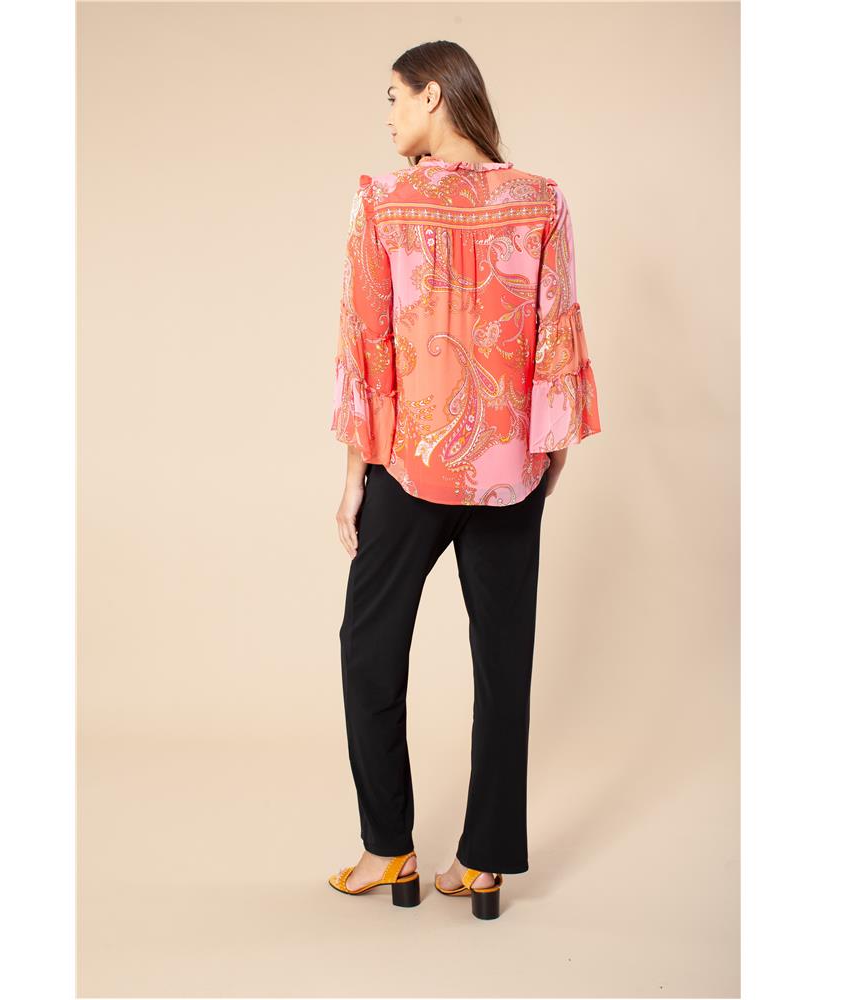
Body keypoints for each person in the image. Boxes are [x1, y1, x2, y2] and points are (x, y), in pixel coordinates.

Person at [328, 41, 601, 919]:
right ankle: (483, 865)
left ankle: (389, 850)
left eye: (394, 96)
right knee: (504, 664)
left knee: (369, 650)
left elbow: (369, 343)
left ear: (433, 95)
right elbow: (556, 333)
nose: (388, 115)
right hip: (512, 471)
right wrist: (546, 458)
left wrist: (355, 474)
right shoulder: (542, 200)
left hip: (409, 464)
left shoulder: (383, 203)